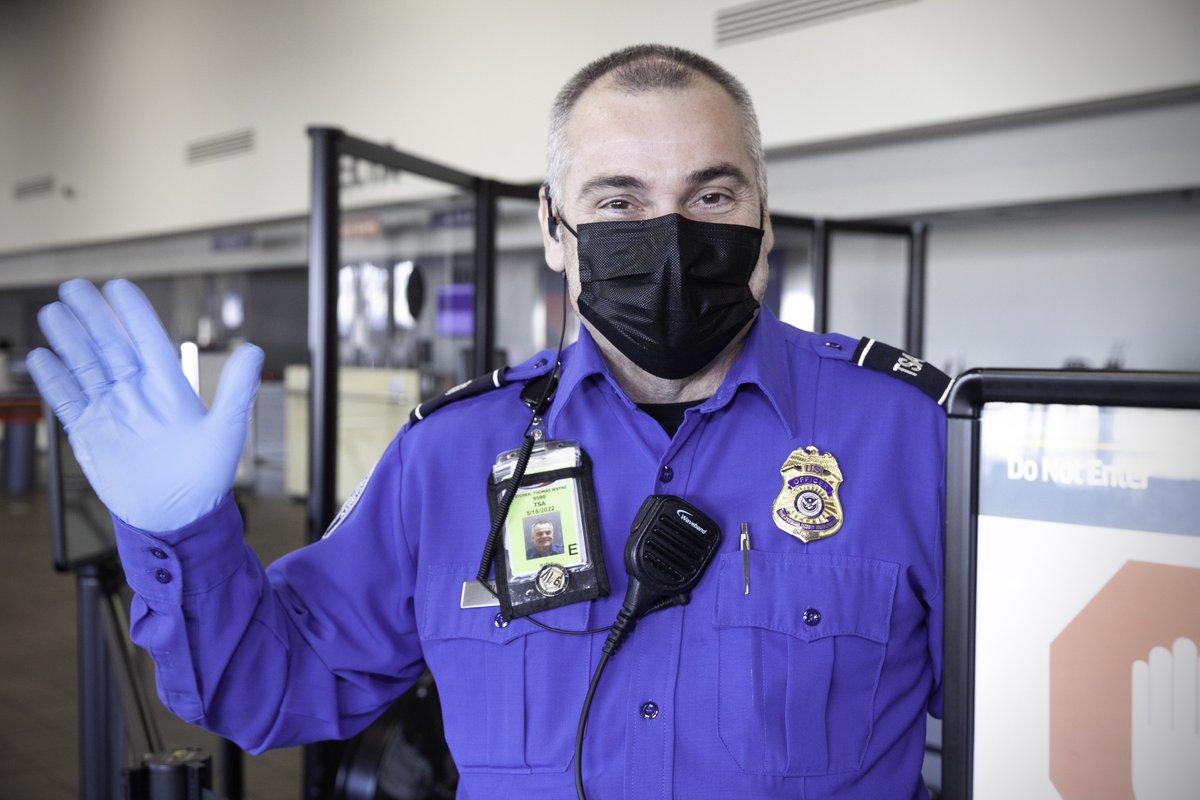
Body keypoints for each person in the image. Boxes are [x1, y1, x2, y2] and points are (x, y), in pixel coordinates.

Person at [28, 44, 949, 799]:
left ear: (762, 216)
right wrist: (180, 534)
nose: (668, 235)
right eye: (618, 201)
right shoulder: (449, 457)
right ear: (554, 228)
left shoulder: (912, 439)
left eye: (711, 196)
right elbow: (266, 685)